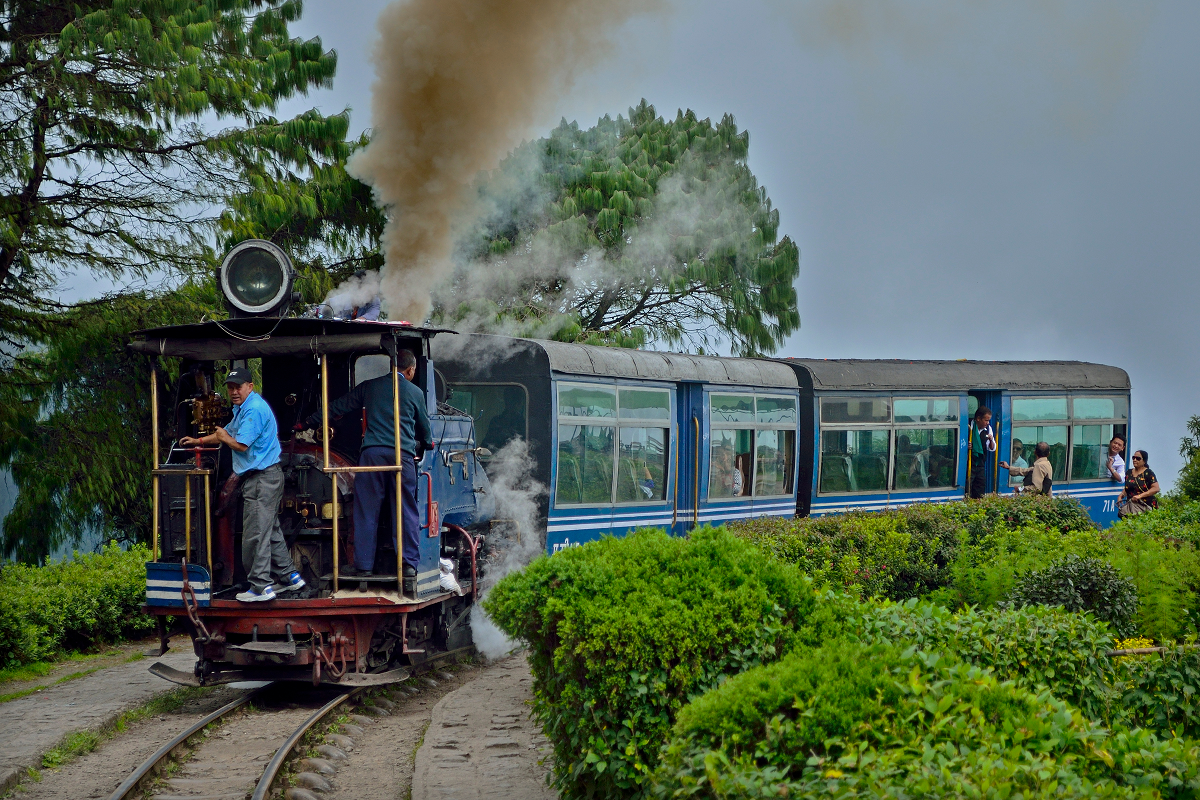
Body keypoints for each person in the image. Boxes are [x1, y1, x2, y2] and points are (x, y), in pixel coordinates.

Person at [303, 349, 432, 584]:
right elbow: (425, 429)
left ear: (391, 365)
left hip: (372, 455)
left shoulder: (369, 387)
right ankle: (408, 565)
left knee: (366, 510)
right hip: (401, 457)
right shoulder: (415, 392)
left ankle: (363, 567)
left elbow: (339, 406)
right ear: (411, 370)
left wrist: (309, 421)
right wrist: (428, 442)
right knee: (405, 509)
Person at [180, 367, 304, 603]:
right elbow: (226, 433)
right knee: (271, 531)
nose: (233, 392)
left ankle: (260, 587)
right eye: (230, 388)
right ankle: (291, 577)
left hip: (261, 479)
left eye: (238, 387)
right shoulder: (244, 408)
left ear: (250, 386)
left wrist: (225, 438)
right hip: (264, 476)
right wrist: (199, 440)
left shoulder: (254, 411)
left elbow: (240, 444)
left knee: (255, 534)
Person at [1119, 449, 1160, 516]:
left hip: (1145, 506)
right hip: (1131, 507)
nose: (1135, 460)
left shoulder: (1148, 473)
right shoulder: (1129, 472)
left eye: (1138, 458)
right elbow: (1129, 487)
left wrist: (1140, 496)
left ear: (1144, 461)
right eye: (1133, 458)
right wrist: (1121, 496)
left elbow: (1156, 488)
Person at [968, 406, 996, 499]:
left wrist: (991, 440)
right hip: (968, 463)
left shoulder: (988, 429)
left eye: (989, 421)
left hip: (980, 463)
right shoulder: (968, 427)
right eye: (986, 420)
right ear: (978, 419)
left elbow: (992, 448)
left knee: (980, 486)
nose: (987, 423)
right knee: (968, 486)